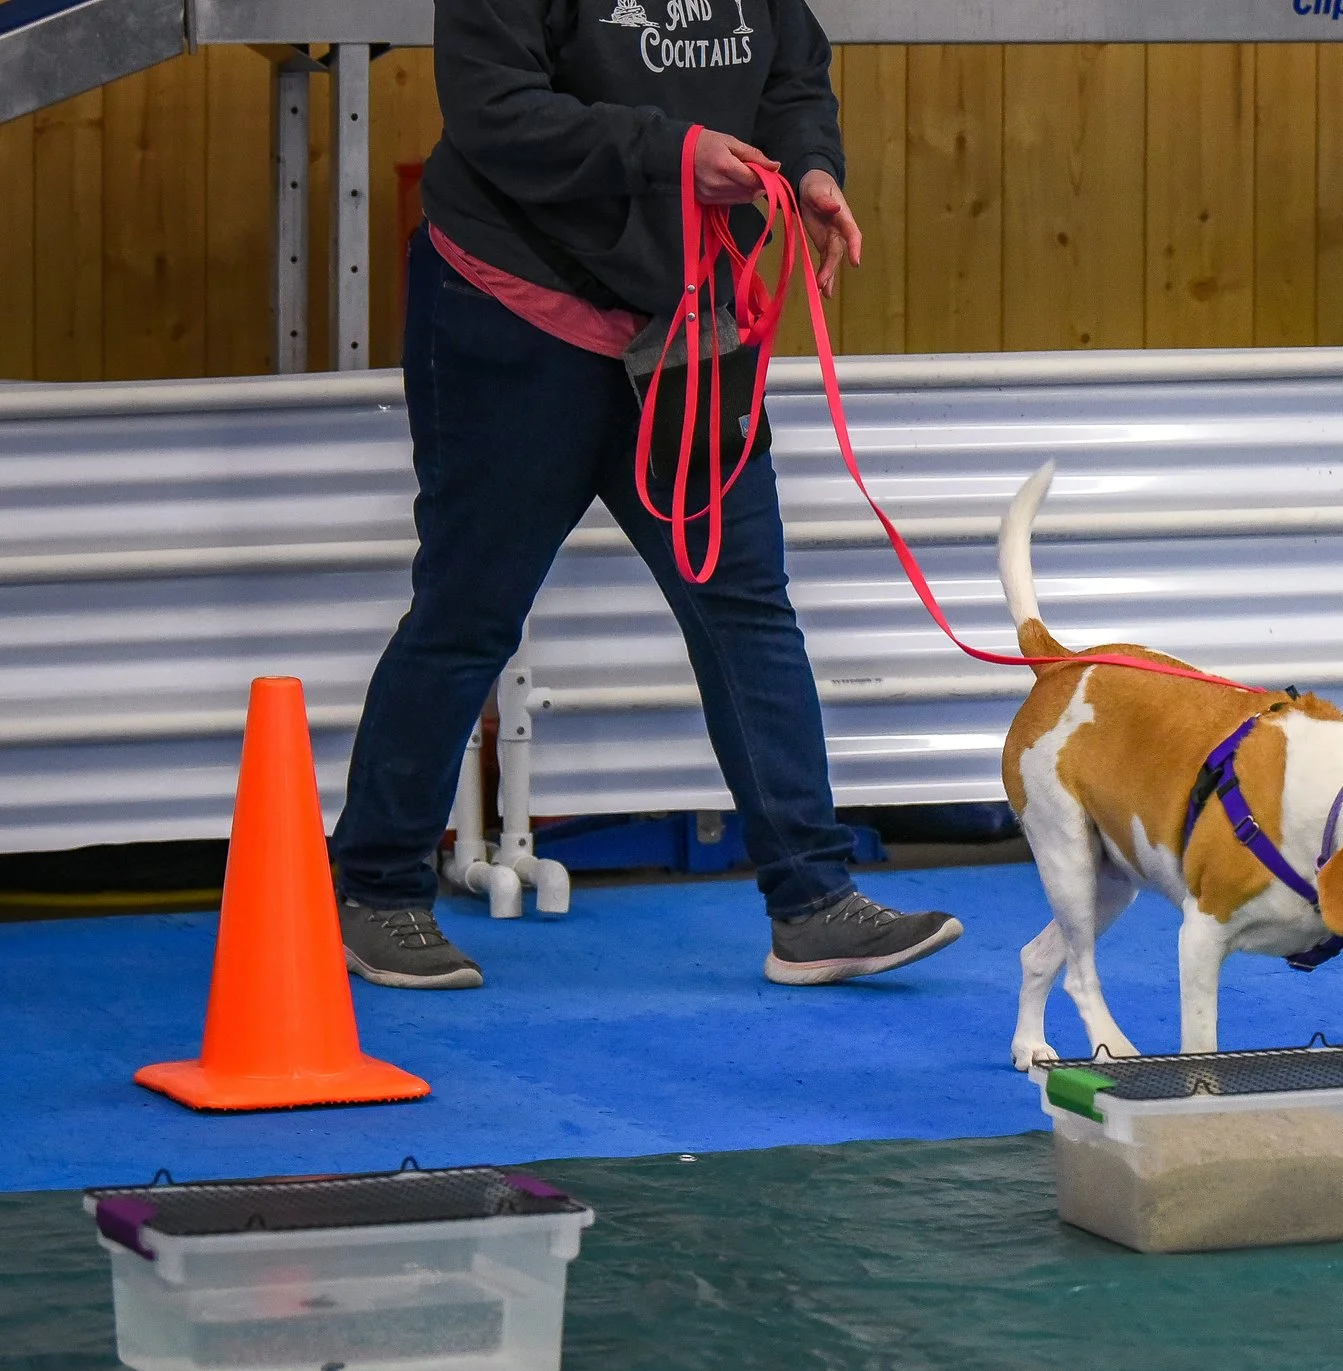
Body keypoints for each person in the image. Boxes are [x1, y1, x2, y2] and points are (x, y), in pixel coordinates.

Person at [329, 0, 960, 991]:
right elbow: (493, 110)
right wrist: (671, 152)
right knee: (469, 610)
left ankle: (812, 898)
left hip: (688, 316)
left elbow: (791, 75)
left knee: (745, 603)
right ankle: (375, 888)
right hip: (515, 305)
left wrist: (809, 169)